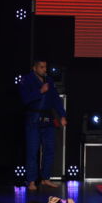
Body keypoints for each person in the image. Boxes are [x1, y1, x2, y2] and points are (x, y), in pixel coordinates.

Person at [18, 59, 67, 191]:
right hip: (33, 119)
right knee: (32, 151)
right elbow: (24, 99)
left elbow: (55, 99)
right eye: (41, 67)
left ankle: (46, 178)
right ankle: (31, 181)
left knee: (49, 150)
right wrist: (40, 91)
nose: (44, 69)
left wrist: (62, 115)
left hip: (48, 119)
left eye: (45, 67)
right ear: (34, 68)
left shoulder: (49, 80)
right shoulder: (26, 80)